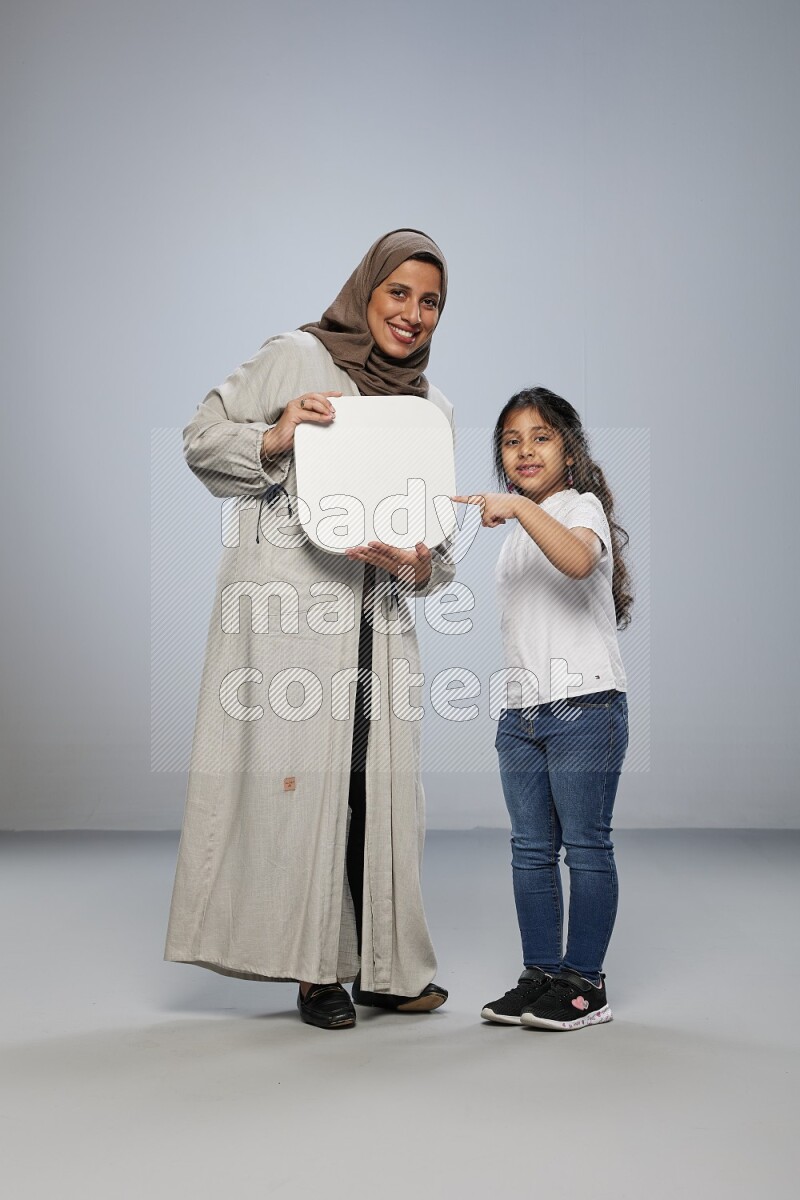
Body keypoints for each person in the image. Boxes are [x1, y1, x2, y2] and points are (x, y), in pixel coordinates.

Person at [165, 229, 453, 1029]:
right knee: (304, 790)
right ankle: (315, 969)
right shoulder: (296, 358)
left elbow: (443, 554)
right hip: (293, 617)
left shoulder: (429, 409)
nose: (413, 313)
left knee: (378, 795)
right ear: (367, 289)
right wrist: (275, 435)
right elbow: (200, 437)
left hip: (378, 629)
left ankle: (389, 972)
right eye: (399, 292)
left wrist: (418, 564)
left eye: (430, 301)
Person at [454, 387, 632, 1031]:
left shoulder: (576, 507)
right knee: (530, 850)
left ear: (568, 447)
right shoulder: (517, 530)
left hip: (585, 705)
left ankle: (586, 984)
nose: (525, 450)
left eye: (540, 436)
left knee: (585, 846)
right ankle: (541, 975)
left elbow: (580, 558)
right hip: (523, 713)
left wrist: (517, 512)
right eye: (511, 440)